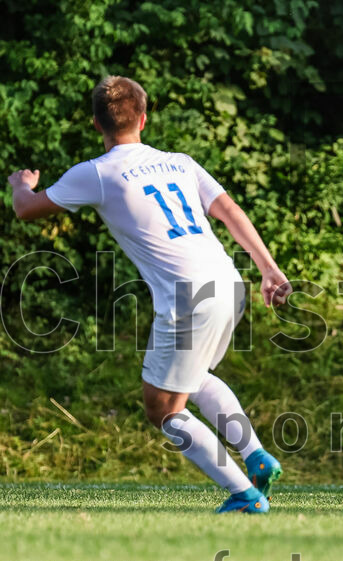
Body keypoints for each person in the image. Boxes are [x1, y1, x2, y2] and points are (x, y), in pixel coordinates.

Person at [7, 76, 291, 513]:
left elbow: (27, 210)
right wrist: (268, 269)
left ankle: (245, 494)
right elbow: (230, 211)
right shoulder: (180, 161)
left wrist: (20, 183)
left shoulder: (97, 172)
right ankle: (255, 457)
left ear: (95, 123)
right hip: (228, 280)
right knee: (193, 381)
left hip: (187, 294)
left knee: (161, 407)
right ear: (143, 117)